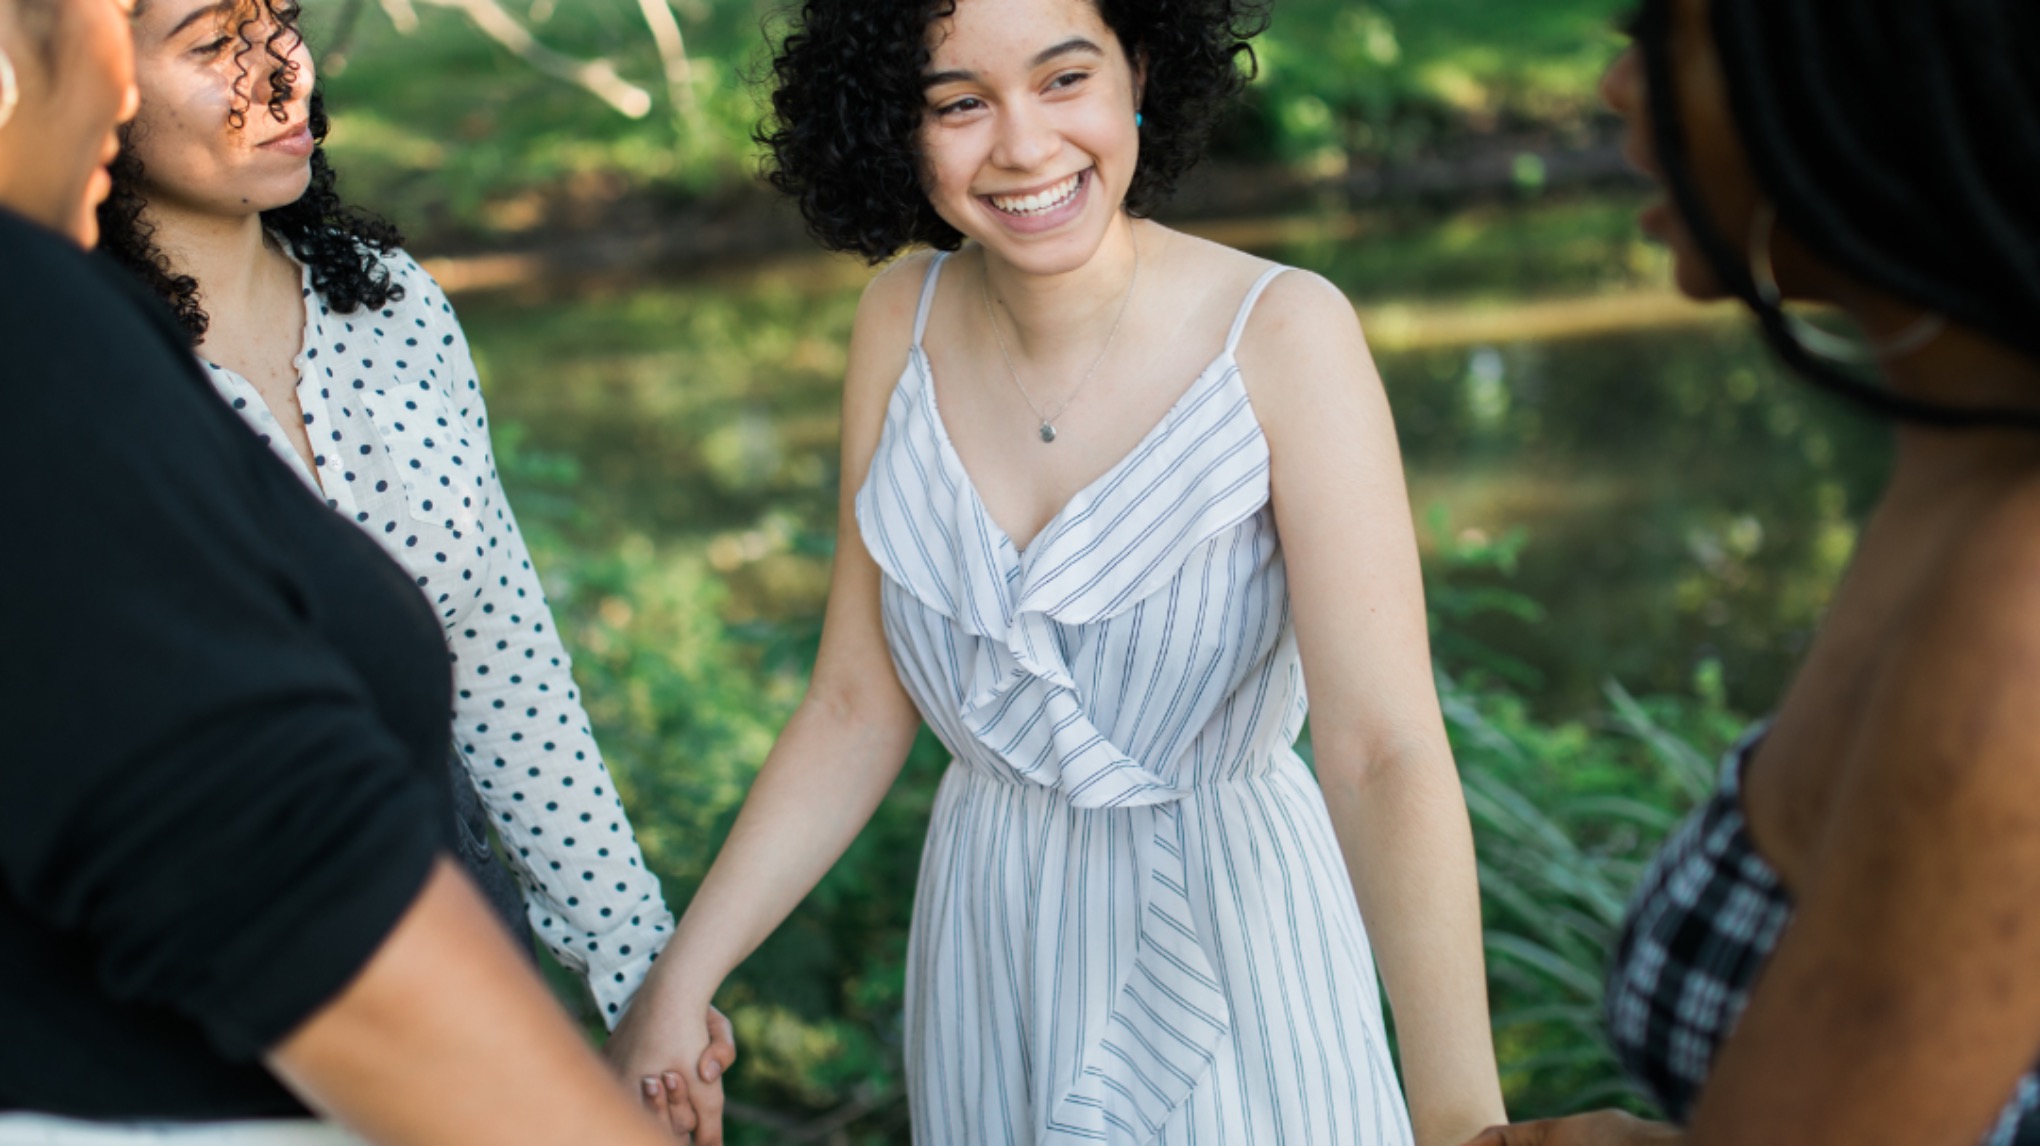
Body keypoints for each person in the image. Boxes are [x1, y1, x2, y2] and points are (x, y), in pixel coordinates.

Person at [604, 0, 1509, 1140]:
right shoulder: (900, 320)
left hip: (1237, 934)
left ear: (1139, 70)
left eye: (1064, 79)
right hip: (993, 944)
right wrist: (681, 982)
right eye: (960, 104)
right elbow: (849, 707)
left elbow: (1384, 755)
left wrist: (1467, 1117)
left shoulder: (1284, 333)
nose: (1024, 147)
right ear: (897, 125)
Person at [0, 1, 722, 1144]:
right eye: (210, 45)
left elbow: (509, 669)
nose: (279, 72)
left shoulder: (392, 305)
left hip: (455, 934)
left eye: (280, 19)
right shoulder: (74, 363)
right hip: (215, 1022)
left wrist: (645, 983)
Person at [1465, 1, 2040, 1144]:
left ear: (1874, 62)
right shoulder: (1963, 465)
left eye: (1662, 32)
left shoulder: (2014, 605)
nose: (1621, 84)